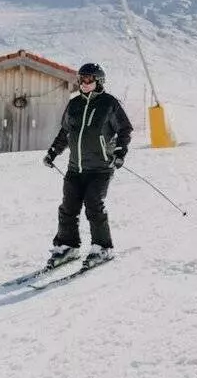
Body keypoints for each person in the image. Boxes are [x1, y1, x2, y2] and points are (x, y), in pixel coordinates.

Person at [42, 63, 133, 267]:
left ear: (98, 81)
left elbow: (125, 129)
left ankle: (102, 248)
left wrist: (120, 152)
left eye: (89, 79)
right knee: (68, 207)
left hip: (100, 168)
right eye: (81, 79)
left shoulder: (109, 104)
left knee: (93, 205)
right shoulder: (74, 104)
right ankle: (68, 246)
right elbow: (65, 132)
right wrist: (53, 152)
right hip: (75, 168)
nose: (84, 83)